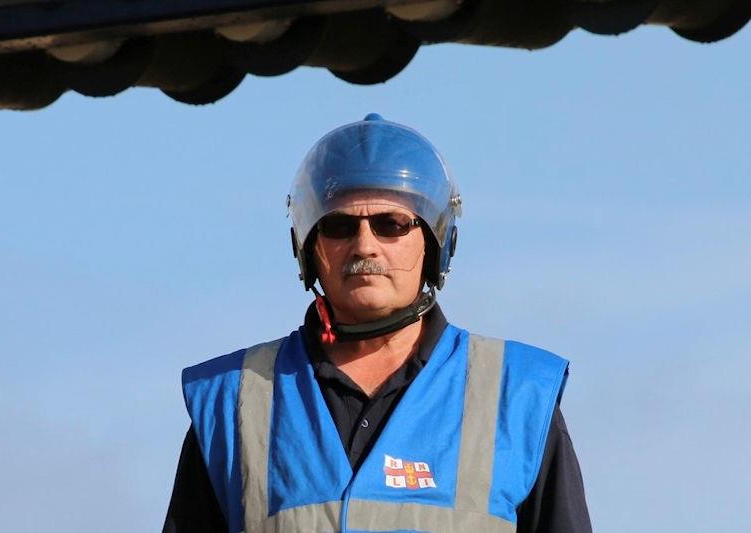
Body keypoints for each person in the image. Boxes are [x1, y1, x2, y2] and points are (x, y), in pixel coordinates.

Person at [164, 114, 591, 533]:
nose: (364, 244)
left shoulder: (520, 395)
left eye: (392, 224)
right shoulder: (232, 403)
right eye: (339, 225)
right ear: (308, 247)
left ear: (437, 243)